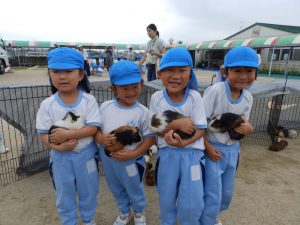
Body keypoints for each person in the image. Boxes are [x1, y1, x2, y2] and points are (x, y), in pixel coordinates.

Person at [36, 47, 100, 225]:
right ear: (50, 73)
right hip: (60, 159)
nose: (62, 76)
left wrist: (68, 134)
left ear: (81, 75)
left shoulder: (89, 101)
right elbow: (42, 134)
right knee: (65, 195)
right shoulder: (47, 105)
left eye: (68, 71)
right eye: (56, 71)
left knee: (89, 191)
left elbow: (93, 128)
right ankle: (68, 221)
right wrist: (58, 147)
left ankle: (88, 220)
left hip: (86, 157)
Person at [200, 46, 258, 225]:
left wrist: (248, 129)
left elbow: (240, 128)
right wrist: (207, 147)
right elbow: (200, 123)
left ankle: (214, 216)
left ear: (256, 73)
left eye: (249, 71)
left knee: (226, 194)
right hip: (213, 150)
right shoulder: (215, 91)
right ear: (225, 71)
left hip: (233, 151)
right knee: (213, 193)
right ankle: (206, 221)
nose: (243, 76)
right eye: (237, 70)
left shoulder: (248, 98)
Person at [149, 48, 207, 225]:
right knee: (166, 197)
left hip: (193, 156)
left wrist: (186, 142)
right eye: (170, 70)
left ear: (190, 73)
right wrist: (177, 124)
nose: (176, 75)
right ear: (160, 73)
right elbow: (154, 127)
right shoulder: (157, 98)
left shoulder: (195, 97)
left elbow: (201, 129)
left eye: (182, 70)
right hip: (167, 156)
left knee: (192, 201)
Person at [95, 61, 156, 225]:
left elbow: (151, 138)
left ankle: (138, 212)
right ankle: (123, 212)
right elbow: (95, 130)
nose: (131, 92)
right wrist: (100, 139)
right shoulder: (105, 107)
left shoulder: (143, 112)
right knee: (116, 188)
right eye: (124, 88)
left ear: (141, 84)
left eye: (134, 86)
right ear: (113, 89)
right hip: (109, 162)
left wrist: (134, 153)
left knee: (135, 188)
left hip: (132, 162)